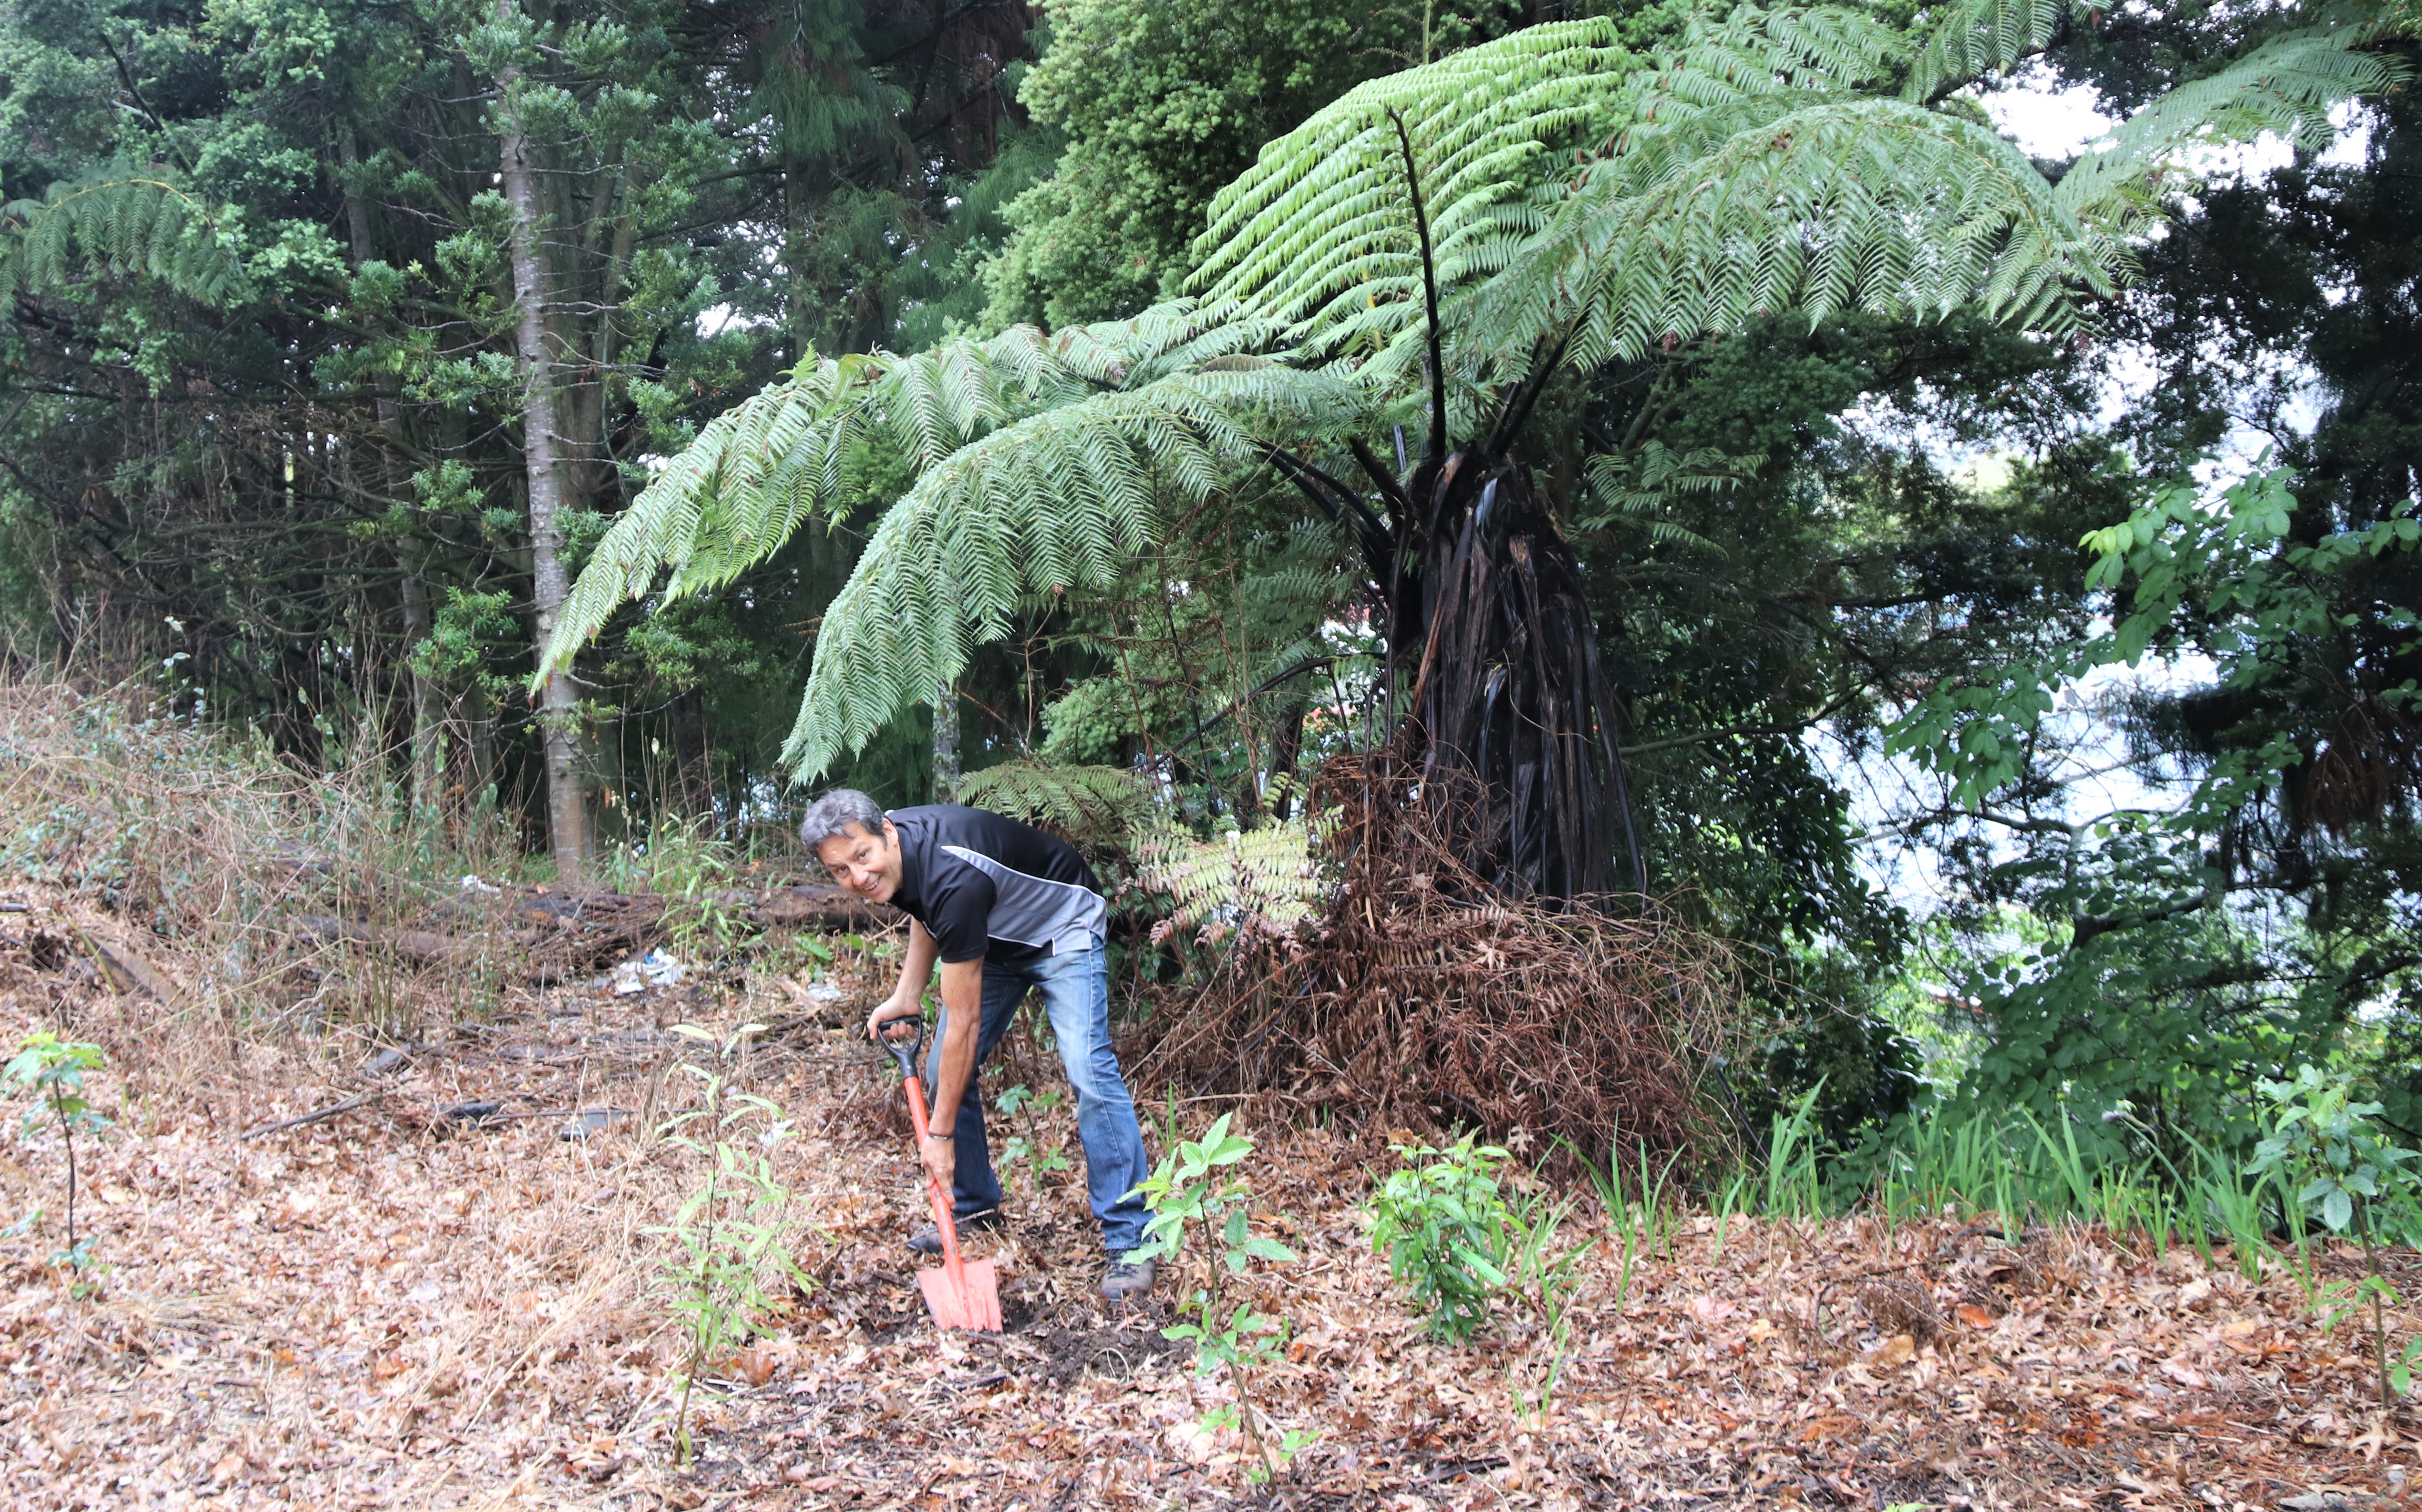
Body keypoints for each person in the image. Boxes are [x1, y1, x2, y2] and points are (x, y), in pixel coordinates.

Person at [802, 789, 1156, 1302]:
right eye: (840, 871)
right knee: (941, 1074)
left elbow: (963, 1021)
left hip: (1064, 928)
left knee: (1089, 1071)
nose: (858, 877)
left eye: (863, 857)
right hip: (997, 937)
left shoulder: (953, 876)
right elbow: (928, 910)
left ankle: (1131, 1241)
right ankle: (975, 1208)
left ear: (888, 835)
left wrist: (940, 1137)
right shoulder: (898, 852)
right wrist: (907, 995)